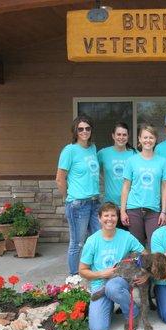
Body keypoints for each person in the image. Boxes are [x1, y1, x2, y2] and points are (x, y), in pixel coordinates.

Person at [79, 202, 146, 330]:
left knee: (112, 287)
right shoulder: (92, 241)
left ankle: (133, 312)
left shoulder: (126, 236)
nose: (110, 219)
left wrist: (144, 274)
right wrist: (102, 273)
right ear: (99, 218)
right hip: (99, 285)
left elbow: (145, 255)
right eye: (106, 215)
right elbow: (82, 270)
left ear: (117, 217)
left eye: (113, 215)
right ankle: (108, 305)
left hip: (120, 282)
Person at [56, 116, 101, 276]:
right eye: (80, 129)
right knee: (77, 243)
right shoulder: (69, 150)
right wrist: (69, 198)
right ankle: (74, 277)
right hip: (78, 204)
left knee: (99, 240)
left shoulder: (93, 148)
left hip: (95, 202)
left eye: (87, 128)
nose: (84, 131)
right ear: (75, 131)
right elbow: (60, 178)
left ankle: (97, 273)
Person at [120, 124, 166, 246]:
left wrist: (163, 212)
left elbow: (165, 188)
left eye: (151, 137)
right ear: (139, 139)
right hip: (133, 209)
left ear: (155, 139)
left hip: (153, 211)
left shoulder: (162, 161)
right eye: (145, 137)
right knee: (137, 247)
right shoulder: (131, 161)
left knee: (155, 245)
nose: (148, 140)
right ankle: (138, 266)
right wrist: (123, 211)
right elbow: (126, 187)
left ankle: (151, 266)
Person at [97, 122, 136, 229]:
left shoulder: (134, 154)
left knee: (129, 239)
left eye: (124, 135)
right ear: (113, 135)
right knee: (110, 238)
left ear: (128, 136)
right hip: (110, 204)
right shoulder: (103, 153)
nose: (121, 137)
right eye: (118, 134)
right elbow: (92, 171)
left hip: (130, 205)